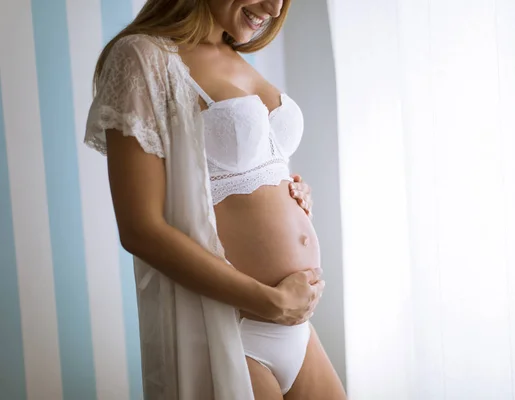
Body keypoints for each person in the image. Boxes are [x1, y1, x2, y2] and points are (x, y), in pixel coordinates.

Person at [84, 0, 346, 399]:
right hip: (231, 330)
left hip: (294, 328)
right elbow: (140, 229)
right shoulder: (143, 57)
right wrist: (270, 300)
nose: (274, 9)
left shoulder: (237, 56)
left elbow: (233, 173)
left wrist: (288, 193)